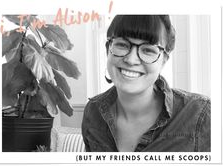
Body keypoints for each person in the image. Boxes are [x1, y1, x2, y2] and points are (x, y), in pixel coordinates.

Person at [81, 15, 210, 152]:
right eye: (122, 45)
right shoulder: (93, 111)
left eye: (148, 50)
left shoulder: (201, 114)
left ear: (164, 60)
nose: (131, 60)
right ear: (108, 49)